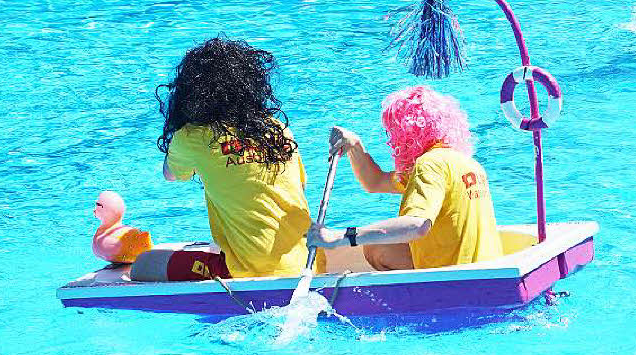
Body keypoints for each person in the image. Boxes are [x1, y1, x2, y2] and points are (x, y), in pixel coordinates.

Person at [154, 37, 315, 279]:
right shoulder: (277, 128)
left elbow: (171, 174)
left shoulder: (191, 137)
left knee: (145, 263)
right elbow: (299, 187)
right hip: (309, 261)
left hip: (249, 270)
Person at [307, 85, 503, 272]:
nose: (391, 140)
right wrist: (355, 146)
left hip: (454, 277)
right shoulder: (465, 162)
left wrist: (340, 237)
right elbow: (375, 182)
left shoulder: (429, 165)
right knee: (378, 249)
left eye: (392, 131)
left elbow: (416, 226)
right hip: (485, 269)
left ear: (407, 131)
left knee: (375, 248)